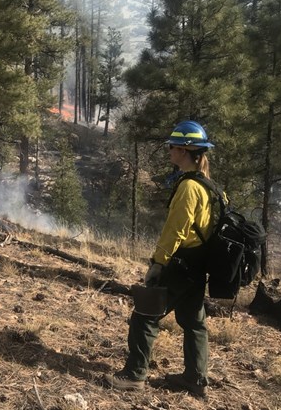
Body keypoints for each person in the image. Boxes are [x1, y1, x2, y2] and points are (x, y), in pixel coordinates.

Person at [104, 120, 216, 398]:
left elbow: (175, 230)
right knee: (193, 321)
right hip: (197, 267)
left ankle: (133, 376)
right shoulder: (210, 187)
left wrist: (158, 263)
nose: (168, 150)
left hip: (179, 265)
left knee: (144, 316)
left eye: (172, 146)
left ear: (184, 150)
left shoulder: (189, 188)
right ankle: (195, 379)